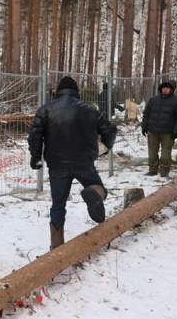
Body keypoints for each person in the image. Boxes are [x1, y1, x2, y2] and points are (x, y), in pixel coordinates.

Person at [28, 76, 118, 250]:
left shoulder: (45, 110)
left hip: (57, 165)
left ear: (58, 92)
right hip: (84, 162)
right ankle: (94, 192)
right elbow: (110, 129)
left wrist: (35, 156)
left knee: (58, 205)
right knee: (101, 191)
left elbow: (35, 136)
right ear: (76, 92)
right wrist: (106, 146)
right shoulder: (90, 110)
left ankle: (56, 245)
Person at [141, 80, 177, 178]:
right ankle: (153, 169)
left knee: (166, 152)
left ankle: (164, 170)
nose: (165, 89)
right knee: (152, 151)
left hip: (168, 132)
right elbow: (146, 114)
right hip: (153, 130)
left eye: (167, 87)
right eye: (163, 87)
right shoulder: (153, 100)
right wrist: (144, 125)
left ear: (172, 89)